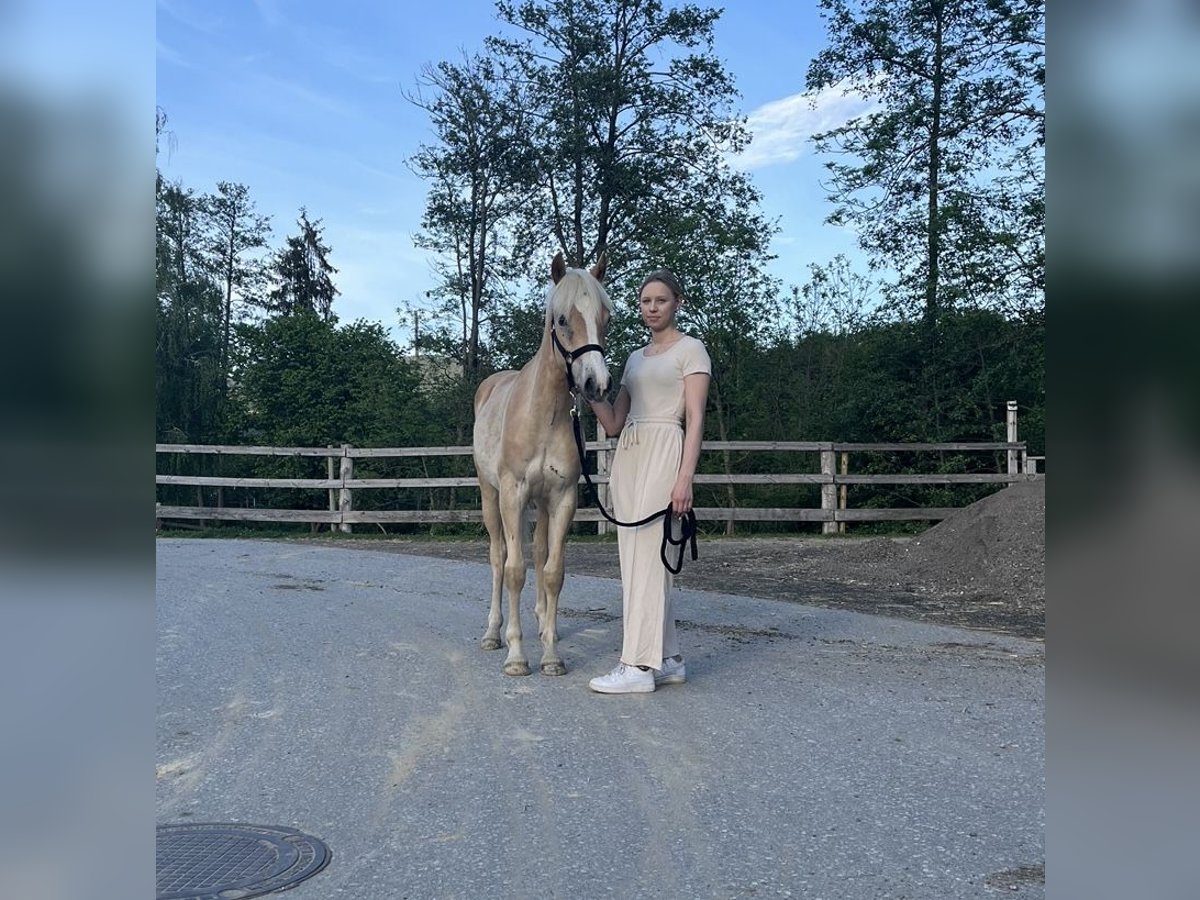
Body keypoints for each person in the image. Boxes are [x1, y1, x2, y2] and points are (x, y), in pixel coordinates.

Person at [585, 269, 712, 694]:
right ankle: (670, 659)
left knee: (647, 557)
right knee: (637, 559)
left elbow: (694, 418)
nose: (652, 308)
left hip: (665, 447)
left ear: (678, 302)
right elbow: (616, 421)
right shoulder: (635, 359)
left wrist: (685, 478)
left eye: (660, 300)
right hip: (631, 452)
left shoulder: (691, 350)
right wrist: (587, 395)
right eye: (645, 302)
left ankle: (637, 666)